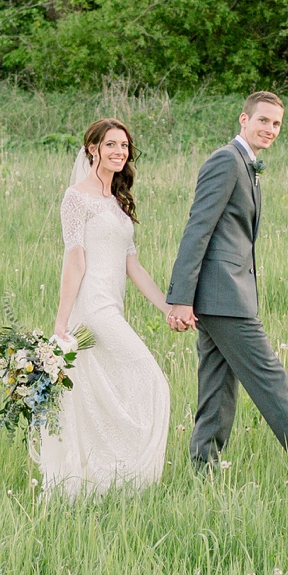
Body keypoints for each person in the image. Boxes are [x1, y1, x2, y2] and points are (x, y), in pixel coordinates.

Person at [166, 91, 288, 476]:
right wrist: (181, 298)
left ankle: (201, 472)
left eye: (276, 123)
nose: (270, 129)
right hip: (223, 297)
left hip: (222, 296)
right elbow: (197, 229)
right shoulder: (227, 161)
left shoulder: (248, 164)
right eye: (263, 120)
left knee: (217, 391)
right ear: (244, 119)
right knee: (273, 384)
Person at [35, 118, 173, 500]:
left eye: (124, 146)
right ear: (93, 148)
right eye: (111, 144)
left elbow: (133, 266)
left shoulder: (116, 201)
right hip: (93, 309)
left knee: (106, 391)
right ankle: (129, 473)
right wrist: (61, 321)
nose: (119, 152)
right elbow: (74, 260)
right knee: (152, 380)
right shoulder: (75, 197)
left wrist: (167, 307)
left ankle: (106, 474)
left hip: (113, 305)